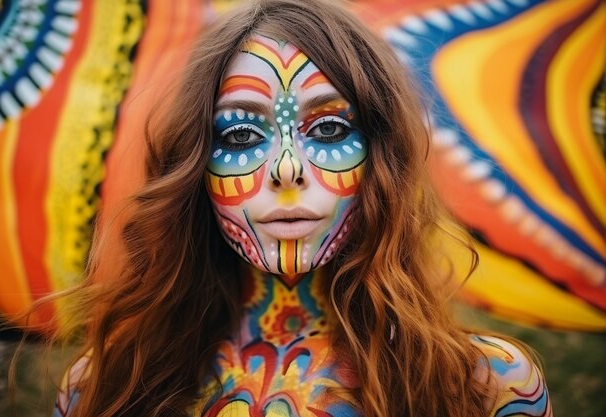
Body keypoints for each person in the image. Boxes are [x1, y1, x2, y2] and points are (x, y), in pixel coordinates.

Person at [52, 0, 552, 416]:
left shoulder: (487, 388)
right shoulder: (102, 390)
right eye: (242, 134)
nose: (287, 169)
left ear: (380, 162)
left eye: (330, 129)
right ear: (196, 168)